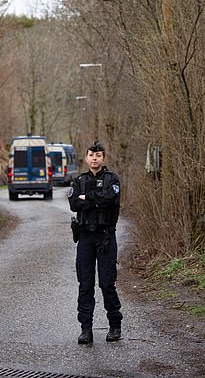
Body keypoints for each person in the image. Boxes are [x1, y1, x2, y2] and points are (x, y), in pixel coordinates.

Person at [68, 141, 123, 344]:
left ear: (103, 158)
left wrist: (88, 199)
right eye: (91, 155)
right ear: (86, 157)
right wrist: (95, 200)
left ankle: (115, 325)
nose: (94, 158)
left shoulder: (112, 179)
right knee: (85, 284)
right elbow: (74, 204)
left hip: (106, 236)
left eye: (98, 155)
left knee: (107, 283)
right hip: (85, 238)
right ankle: (86, 328)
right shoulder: (79, 180)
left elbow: (110, 198)